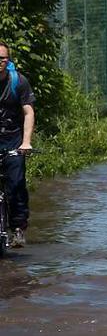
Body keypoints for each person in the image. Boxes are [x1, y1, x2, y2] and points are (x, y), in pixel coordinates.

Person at [0, 42, 36, 248]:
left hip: (13, 140)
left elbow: (28, 112)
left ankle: (18, 229)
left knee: (16, 184)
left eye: (2, 58)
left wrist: (26, 143)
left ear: (8, 60)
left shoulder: (18, 81)